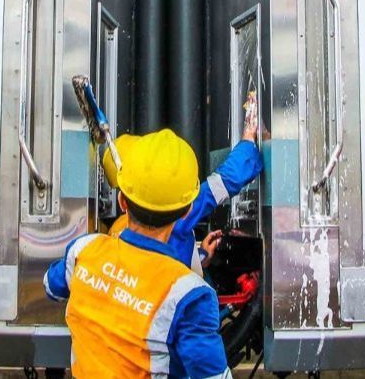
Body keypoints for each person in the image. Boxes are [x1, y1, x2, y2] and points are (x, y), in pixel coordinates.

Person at [43, 129, 232, 378]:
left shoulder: (84, 251)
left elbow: (51, 286)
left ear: (122, 201)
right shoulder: (190, 297)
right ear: (186, 212)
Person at [105, 93, 263, 274]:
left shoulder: (115, 234)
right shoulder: (173, 215)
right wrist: (249, 140)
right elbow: (222, 183)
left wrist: (200, 256)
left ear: (122, 199)